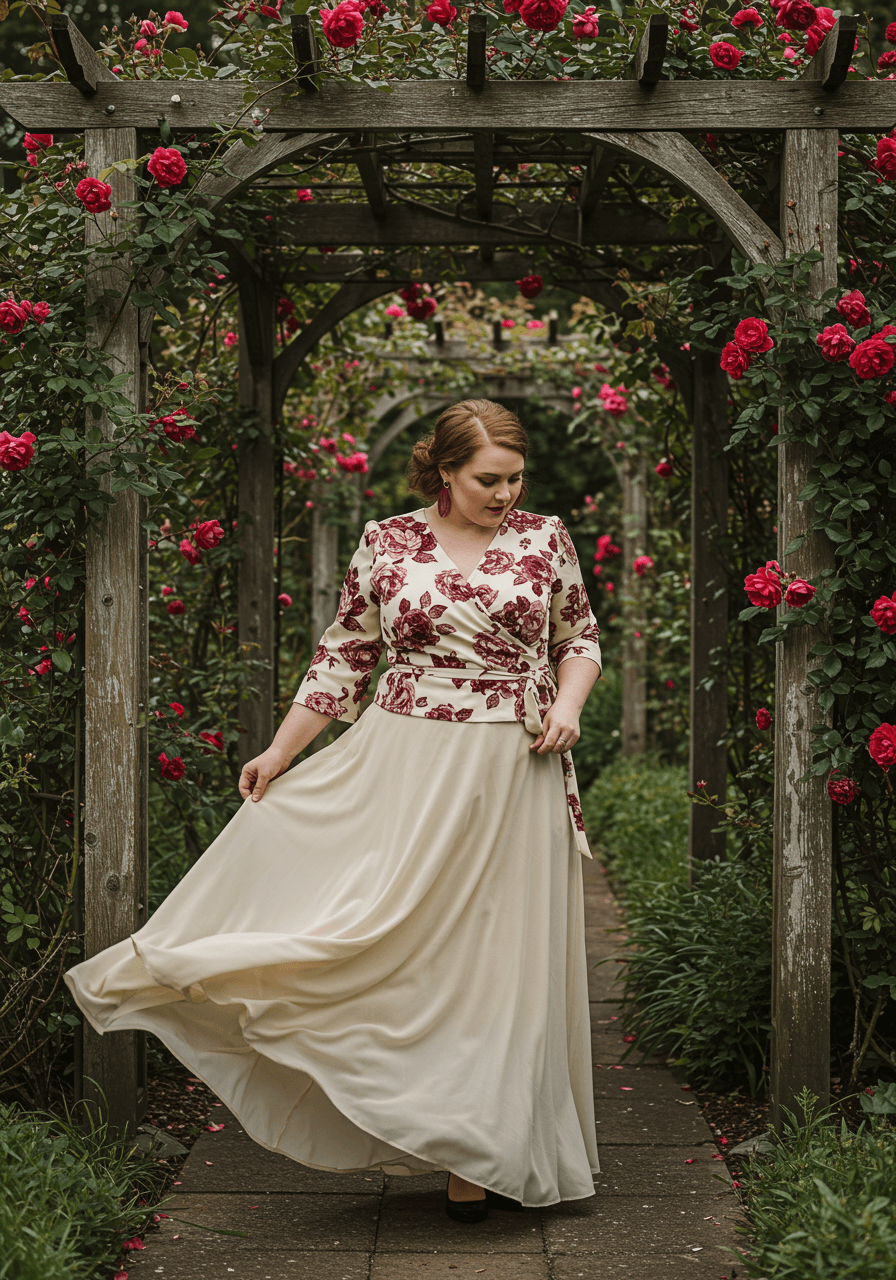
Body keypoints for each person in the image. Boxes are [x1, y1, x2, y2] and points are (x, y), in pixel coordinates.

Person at [63, 398, 603, 1224]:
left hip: (516, 768)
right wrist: (281, 751)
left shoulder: (545, 538)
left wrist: (568, 704)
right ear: (445, 472)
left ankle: (485, 1150)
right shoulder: (388, 542)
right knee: (391, 937)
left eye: (515, 478)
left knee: (500, 959)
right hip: (407, 762)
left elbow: (580, 639)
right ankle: (422, 1113)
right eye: (487, 479)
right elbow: (345, 654)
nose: (505, 493)